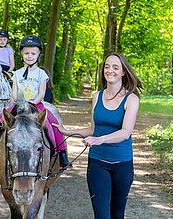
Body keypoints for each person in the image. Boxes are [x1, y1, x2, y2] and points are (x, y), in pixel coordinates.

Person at [53, 52, 143, 219]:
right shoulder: (97, 96)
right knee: (102, 215)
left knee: (117, 214)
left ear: (123, 72)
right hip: (97, 163)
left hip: (122, 164)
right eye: (107, 67)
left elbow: (125, 132)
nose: (110, 71)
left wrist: (101, 139)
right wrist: (66, 131)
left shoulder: (131, 99)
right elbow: (93, 129)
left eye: (115, 67)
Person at [0, 35, 71, 167]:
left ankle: (62, 153)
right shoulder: (17, 74)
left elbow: (41, 93)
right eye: (26, 53)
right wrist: (17, 101)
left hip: (37, 104)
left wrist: (33, 103)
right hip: (18, 104)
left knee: (53, 123)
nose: (29, 56)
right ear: (21, 55)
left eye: (33, 53)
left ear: (38, 55)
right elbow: (14, 92)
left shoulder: (41, 74)